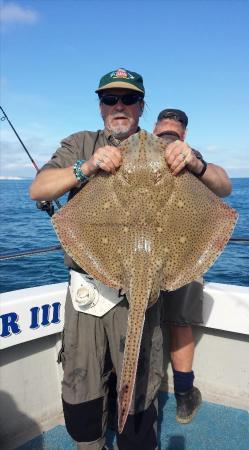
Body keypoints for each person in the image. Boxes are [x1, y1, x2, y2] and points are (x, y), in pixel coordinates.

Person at [30, 68, 163, 450]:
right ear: (101, 105)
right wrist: (86, 168)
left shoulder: (163, 148)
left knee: (137, 388)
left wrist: (193, 162)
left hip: (138, 288)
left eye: (128, 99)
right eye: (110, 99)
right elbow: (38, 189)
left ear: (141, 104)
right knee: (81, 386)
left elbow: (219, 187)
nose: (119, 106)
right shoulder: (81, 143)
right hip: (87, 288)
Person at [153, 108, 232, 424]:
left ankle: (182, 396)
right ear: (153, 130)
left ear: (184, 136)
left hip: (183, 256)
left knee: (179, 321)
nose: (169, 137)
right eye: (164, 132)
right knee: (163, 323)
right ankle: (168, 394)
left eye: (174, 132)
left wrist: (195, 163)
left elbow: (223, 186)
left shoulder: (193, 159)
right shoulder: (133, 153)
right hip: (151, 254)